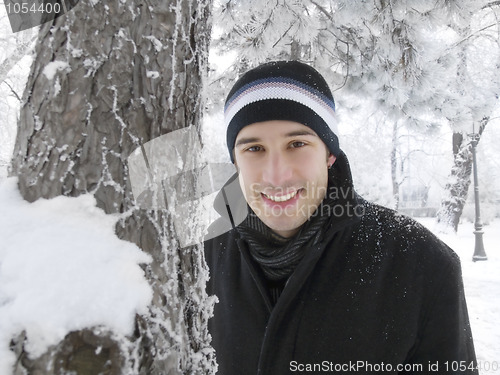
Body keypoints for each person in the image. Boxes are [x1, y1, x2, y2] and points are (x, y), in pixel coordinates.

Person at [204, 60, 477, 374]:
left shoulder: (421, 262)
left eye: (297, 144)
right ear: (235, 162)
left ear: (329, 154)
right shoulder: (203, 263)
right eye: (254, 149)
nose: (276, 175)